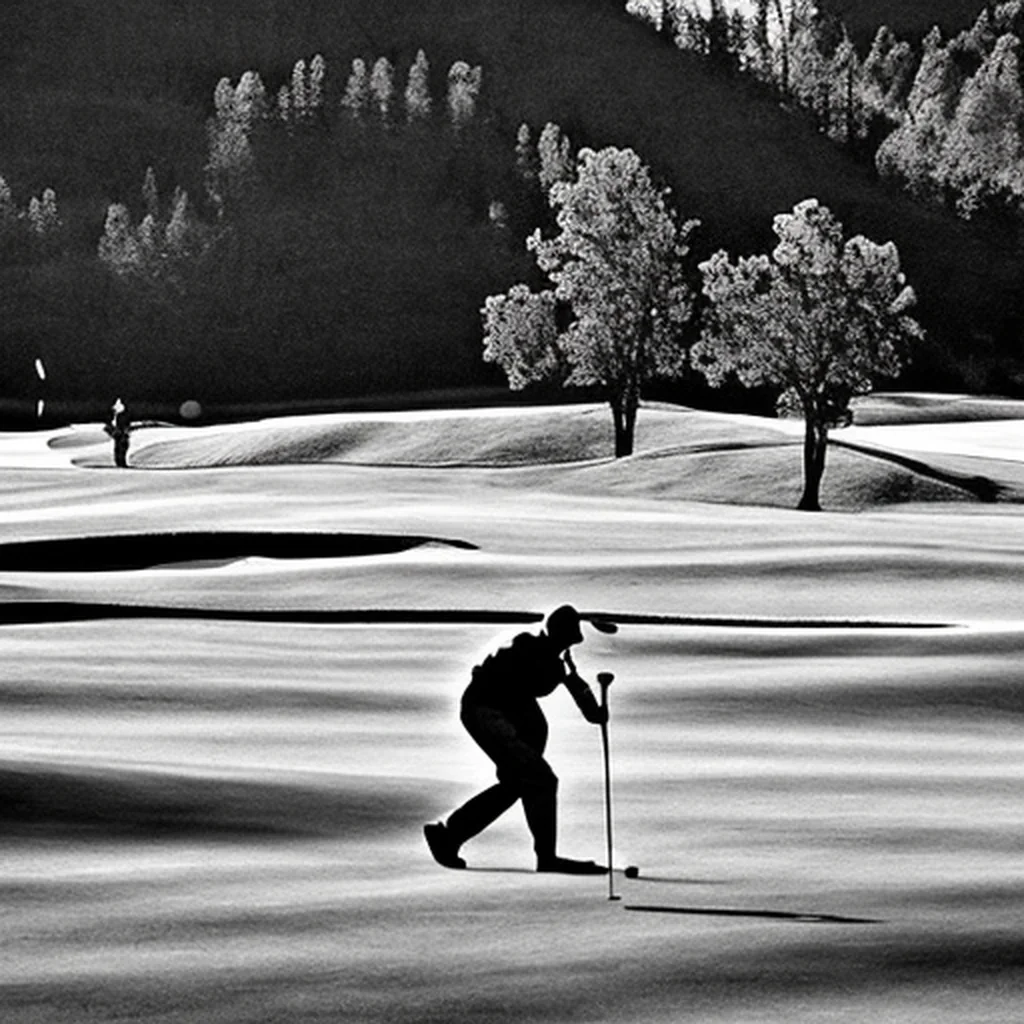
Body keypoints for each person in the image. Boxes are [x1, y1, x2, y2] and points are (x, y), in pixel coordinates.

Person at [424, 604, 608, 874]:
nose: (566, 646)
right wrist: (571, 681)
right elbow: (524, 685)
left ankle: (448, 836)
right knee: (540, 779)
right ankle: (546, 858)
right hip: (485, 711)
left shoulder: (552, 660)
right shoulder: (526, 647)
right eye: (565, 639)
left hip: (497, 715)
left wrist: (590, 703)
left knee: (518, 784)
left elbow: (582, 706)